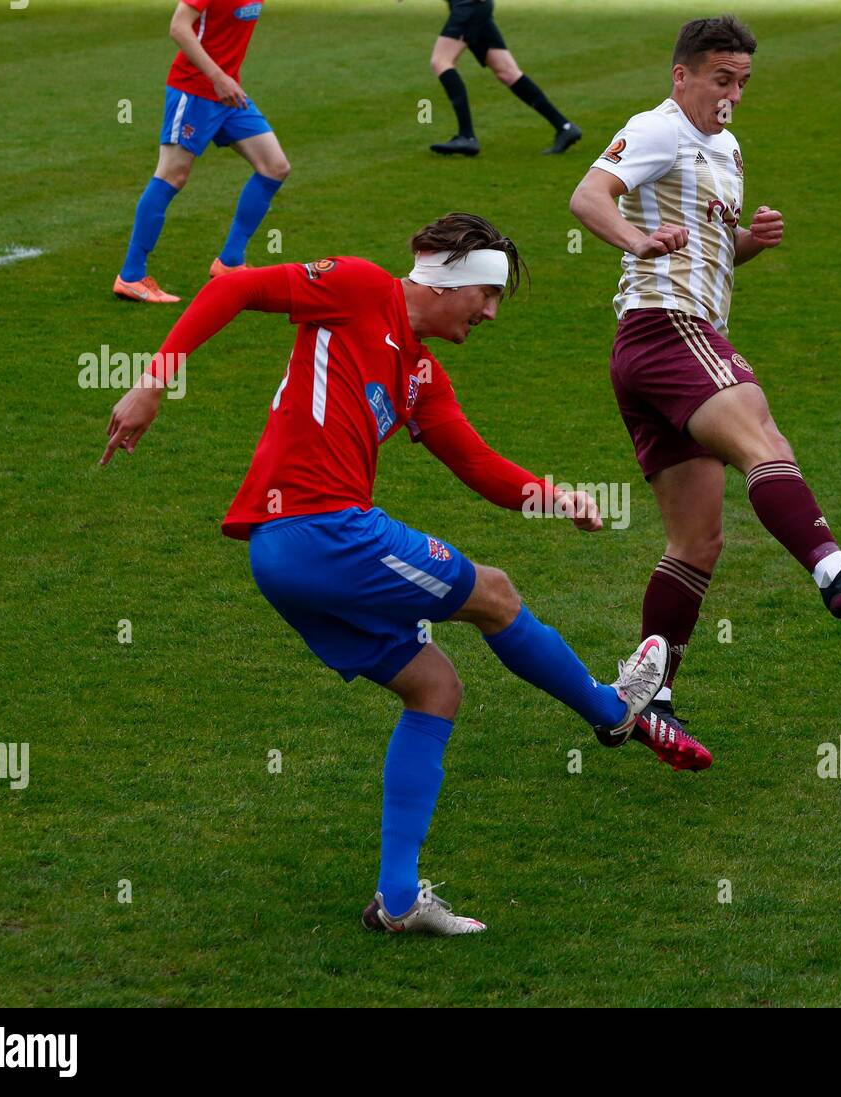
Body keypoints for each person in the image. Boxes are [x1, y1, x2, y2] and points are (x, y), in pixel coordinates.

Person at [101, 213, 710, 937]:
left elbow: (479, 465)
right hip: (320, 530)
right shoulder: (358, 287)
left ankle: (397, 900)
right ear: (448, 280)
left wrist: (556, 496)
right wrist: (151, 384)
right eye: (485, 294)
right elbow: (229, 291)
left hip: (289, 554)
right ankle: (612, 714)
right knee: (497, 592)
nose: (489, 312)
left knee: (434, 686)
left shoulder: (421, 374)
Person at [569, 16, 841, 722]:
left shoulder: (726, 147)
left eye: (743, 83)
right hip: (667, 327)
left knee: (697, 540)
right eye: (720, 79)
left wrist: (747, 242)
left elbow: (710, 245)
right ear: (682, 75)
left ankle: (649, 696)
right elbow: (587, 197)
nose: (731, 95)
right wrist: (639, 242)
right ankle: (835, 571)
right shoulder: (658, 126)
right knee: (763, 435)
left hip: (653, 349)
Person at [114, 0, 290, 304]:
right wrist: (217, 77)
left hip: (228, 95)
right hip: (194, 91)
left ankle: (229, 262)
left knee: (274, 166)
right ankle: (131, 276)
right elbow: (178, 27)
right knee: (172, 174)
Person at [429, 0, 581, 157]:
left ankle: (466, 136)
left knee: (441, 61)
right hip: (476, 7)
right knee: (507, 72)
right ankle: (565, 127)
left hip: (469, 5)